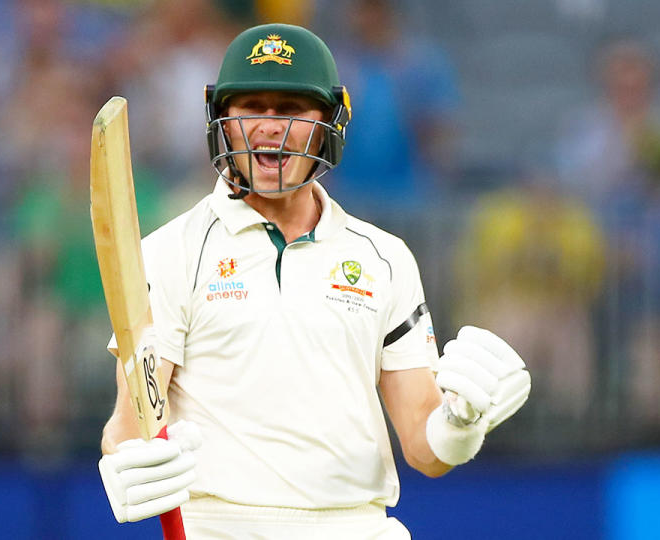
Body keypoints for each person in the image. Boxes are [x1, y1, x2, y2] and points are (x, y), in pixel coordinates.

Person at [97, 23, 531, 539]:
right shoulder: (172, 252)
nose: (268, 127)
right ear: (223, 120)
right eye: (251, 108)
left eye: (291, 110)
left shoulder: (383, 259)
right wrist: (128, 460)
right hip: (222, 526)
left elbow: (423, 446)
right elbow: (135, 417)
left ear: (330, 121)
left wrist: (462, 425)